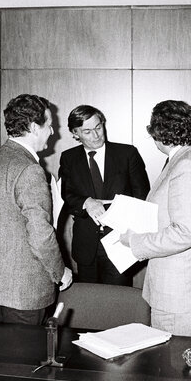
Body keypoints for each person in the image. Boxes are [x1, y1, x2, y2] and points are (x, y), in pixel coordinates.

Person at [120, 100, 191, 337]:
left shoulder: (189, 166)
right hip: (184, 286)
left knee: (172, 366)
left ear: (160, 133)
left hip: (180, 291)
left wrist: (134, 242)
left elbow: (185, 233)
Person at [0, 94, 73, 325]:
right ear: (33, 127)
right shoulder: (30, 169)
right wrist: (60, 272)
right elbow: (41, 235)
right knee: (26, 358)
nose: (52, 132)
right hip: (25, 289)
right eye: (49, 126)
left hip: (1, 284)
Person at [58, 105, 150, 285]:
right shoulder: (68, 158)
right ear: (75, 133)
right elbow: (66, 194)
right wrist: (86, 202)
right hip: (86, 246)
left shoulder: (127, 154)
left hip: (120, 244)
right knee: (90, 305)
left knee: (117, 305)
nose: (96, 135)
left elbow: (143, 199)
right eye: (87, 131)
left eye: (98, 127)